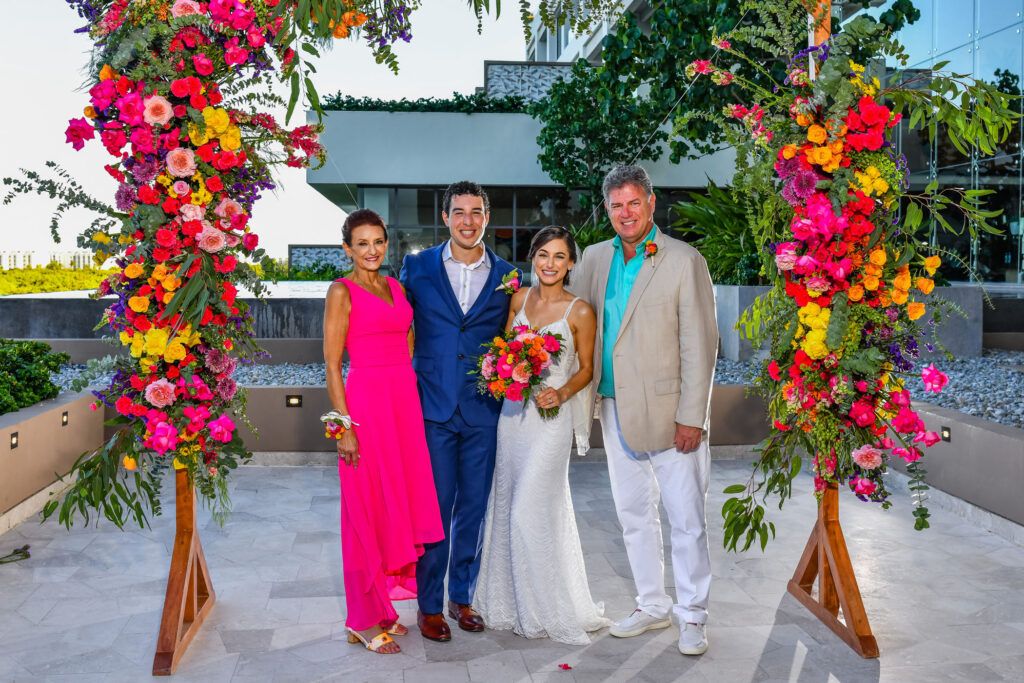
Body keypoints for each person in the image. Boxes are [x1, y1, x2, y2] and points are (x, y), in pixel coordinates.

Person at [572, 164, 719, 656]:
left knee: (686, 518)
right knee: (633, 514)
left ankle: (692, 614)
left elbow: (701, 343)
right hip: (614, 408)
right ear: (607, 209)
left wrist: (692, 416)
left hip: (672, 414)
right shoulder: (595, 258)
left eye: (634, 202)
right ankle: (652, 605)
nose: (626, 213)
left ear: (652, 203)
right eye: (617, 205)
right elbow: (574, 322)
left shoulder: (684, 259)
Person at [475, 226, 612, 645]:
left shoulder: (580, 311)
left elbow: (587, 368)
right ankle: (510, 602)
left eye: (559, 256)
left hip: (551, 421)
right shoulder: (519, 299)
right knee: (506, 507)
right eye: (542, 255)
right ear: (532, 258)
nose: (549, 263)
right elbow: (503, 349)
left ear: (570, 263)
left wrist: (562, 392)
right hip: (512, 418)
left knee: (528, 511)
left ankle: (546, 608)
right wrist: (498, 372)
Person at [399, 181, 517, 642]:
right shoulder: (417, 267)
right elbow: (399, 327)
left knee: (473, 508)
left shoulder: (509, 275)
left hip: (484, 409)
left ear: (487, 217)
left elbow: (514, 336)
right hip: (431, 406)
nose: (468, 221)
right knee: (434, 508)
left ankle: (462, 597)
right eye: (459, 212)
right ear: (445, 217)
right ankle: (429, 605)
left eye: (476, 212)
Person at [323, 209, 444, 654]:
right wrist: (344, 427)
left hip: (402, 407)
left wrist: (404, 386)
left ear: (387, 243)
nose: (371, 250)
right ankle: (361, 619)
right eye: (362, 243)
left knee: (397, 504)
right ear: (347, 249)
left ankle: (383, 609)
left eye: (378, 241)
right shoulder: (341, 291)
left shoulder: (396, 287)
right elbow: (332, 364)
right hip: (366, 409)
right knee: (364, 509)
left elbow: (406, 341)